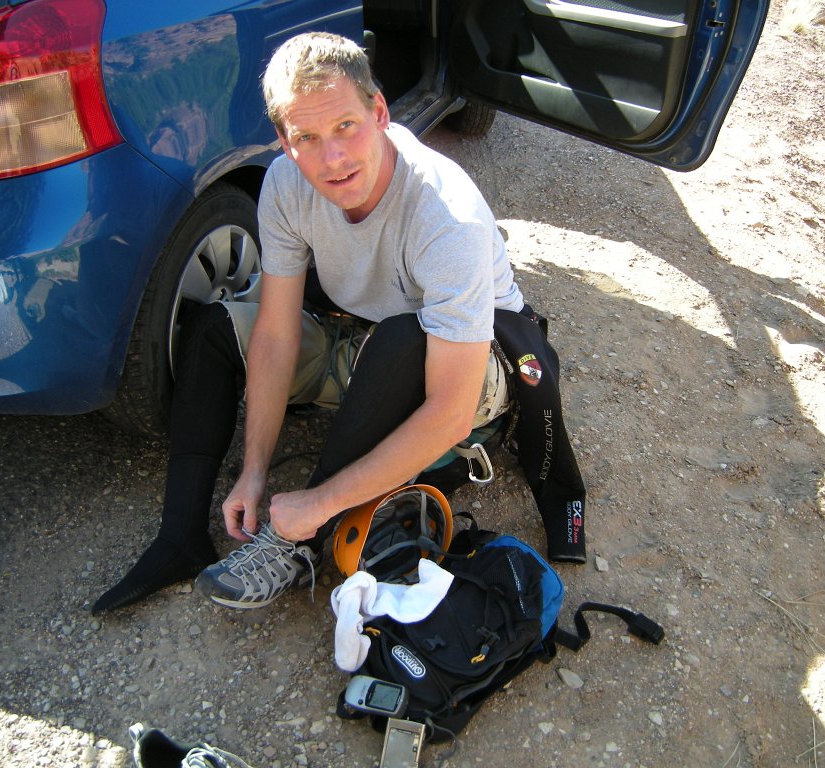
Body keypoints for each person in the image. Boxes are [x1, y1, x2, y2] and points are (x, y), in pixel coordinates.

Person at [92, 31, 585, 615]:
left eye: (346, 126)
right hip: (361, 334)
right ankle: (179, 538)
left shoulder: (446, 214)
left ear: (379, 110)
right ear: (284, 142)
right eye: (307, 137)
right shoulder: (284, 185)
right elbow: (275, 334)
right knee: (218, 328)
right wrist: (253, 471)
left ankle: (298, 538)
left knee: (404, 338)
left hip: (469, 368)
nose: (333, 159)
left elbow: (451, 410)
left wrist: (321, 501)